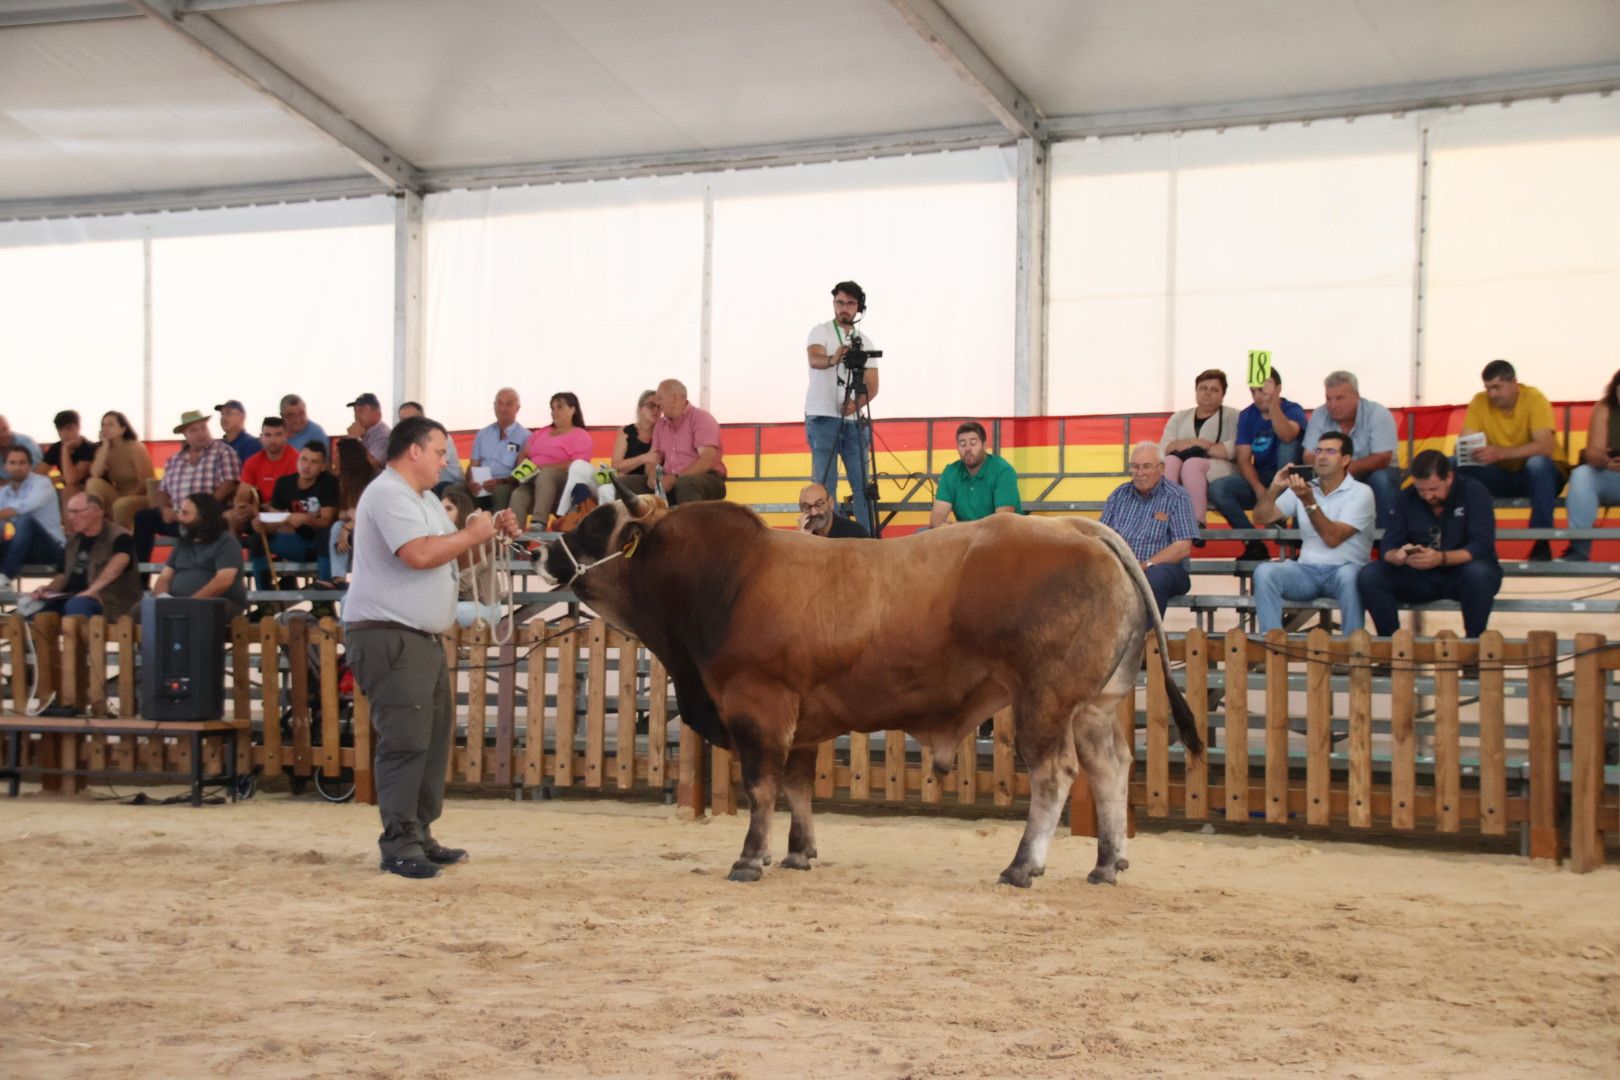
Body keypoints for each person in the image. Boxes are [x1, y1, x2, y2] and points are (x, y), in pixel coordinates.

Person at [343, 415, 521, 879]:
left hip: (415, 634)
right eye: (441, 451)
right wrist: (472, 534)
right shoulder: (386, 494)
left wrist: (493, 533)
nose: (447, 460)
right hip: (389, 631)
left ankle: (418, 833)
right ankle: (399, 842)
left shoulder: (421, 499)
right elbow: (419, 555)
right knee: (405, 739)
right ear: (414, 451)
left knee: (431, 737)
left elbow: (453, 555)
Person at [1357, 451, 1501, 638]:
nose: (1427, 496)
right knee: (1370, 574)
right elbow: (1388, 546)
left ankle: (1473, 646)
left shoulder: (1473, 492)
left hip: (1461, 573)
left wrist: (1441, 558)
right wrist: (1399, 556)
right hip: (1419, 574)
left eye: (1433, 489)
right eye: (1421, 490)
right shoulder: (1406, 497)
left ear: (1449, 477)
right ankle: (1391, 645)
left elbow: (1481, 545)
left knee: (1478, 573)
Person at [1251, 431, 1376, 634]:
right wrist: (1274, 487)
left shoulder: (1361, 492)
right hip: (1306, 571)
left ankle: (1354, 652)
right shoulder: (1304, 488)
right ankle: (1273, 646)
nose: (1322, 456)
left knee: (1351, 576)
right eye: (1318, 450)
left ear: (1346, 460)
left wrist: (1309, 501)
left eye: (1330, 451)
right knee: (1265, 572)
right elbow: (1260, 518)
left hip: (1344, 569)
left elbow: (1333, 538)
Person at [1457, 359, 1563, 561]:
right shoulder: (1479, 401)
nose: (1492, 394)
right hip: (1500, 474)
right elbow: (1466, 440)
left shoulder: (1534, 398)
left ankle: (1542, 541)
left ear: (1514, 382)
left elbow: (1545, 447)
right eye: (1488, 388)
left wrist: (1500, 453)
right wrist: (1467, 450)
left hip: (1539, 477)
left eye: (1497, 387)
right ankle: (1474, 539)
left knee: (1537, 464)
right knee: (1454, 464)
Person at [805, 280, 881, 534]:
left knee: (862, 485)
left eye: (850, 303)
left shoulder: (865, 341)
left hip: (852, 421)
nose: (844, 308)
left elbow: (872, 385)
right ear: (833, 304)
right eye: (839, 302)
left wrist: (854, 404)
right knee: (825, 485)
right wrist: (833, 358)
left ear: (858, 307)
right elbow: (814, 358)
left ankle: (866, 542)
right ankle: (828, 541)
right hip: (822, 417)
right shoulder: (821, 331)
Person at [1208, 367, 1307, 561]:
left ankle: (1288, 534)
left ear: (1278, 389)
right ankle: (1253, 542)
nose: (1258, 396)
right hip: (1262, 477)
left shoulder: (1293, 409)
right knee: (1219, 488)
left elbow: (1287, 434)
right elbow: (1243, 458)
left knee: (1288, 445)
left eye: (1263, 390)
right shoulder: (1247, 415)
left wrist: (1272, 405)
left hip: (1291, 480)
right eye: (1254, 392)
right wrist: (1260, 489)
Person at [1100, 443, 1197, 615]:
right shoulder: (1119, 495)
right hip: (1122, 568)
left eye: (1146, 467)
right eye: (1135, 467)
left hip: (1164, 570)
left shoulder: (1176, 496)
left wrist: (1145, 565)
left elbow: (1182, 547)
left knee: (1155, 576)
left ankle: (1146, 636)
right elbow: (1101, 536)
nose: (1139, 473)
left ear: (1161, 468)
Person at [132, 410, 240, 562]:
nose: (201, 433)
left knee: (211, 520)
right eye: (194, 430)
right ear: (185, 434)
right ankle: (141, 579)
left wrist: (203, 508)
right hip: (178, 515)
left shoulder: (223, 452)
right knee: (143, 518)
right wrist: (165, 509)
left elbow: (230, 483)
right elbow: (163, 490)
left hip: (208, 515)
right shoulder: (174, 460)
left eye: (203, 428)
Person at [1302, 371, 1401, 529]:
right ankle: (1300, 543)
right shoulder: (1320, 414)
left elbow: (1383, 457)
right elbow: (1308, 456)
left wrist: (1344, 469)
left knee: (1380, 479)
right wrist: (1333, 470)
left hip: (1375, 472)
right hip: (1333, 473)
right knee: (1308, 484)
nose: (1332, 405)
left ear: (1356, 396)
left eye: (1339, 398)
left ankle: (1387, 540)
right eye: (1328, 398)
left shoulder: (1378, 413)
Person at [24, 493, 141, 620]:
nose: (70, 517)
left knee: (77, 606)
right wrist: (48, 589)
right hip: (69, 598)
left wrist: (90, 591)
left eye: (76, 512)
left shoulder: (119, 536)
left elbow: (119, 563)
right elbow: (62, 575)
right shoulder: (73, 541)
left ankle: (81, 639)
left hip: (107, 602)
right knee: (32, 619)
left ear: (96, 512)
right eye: (69, 512)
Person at [1158, 368, 1238, 537]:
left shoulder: (1233, 415)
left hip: (1220, 469)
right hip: (1181, 469)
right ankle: (1165, 517)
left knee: (1192, 464)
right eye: (1203, 388)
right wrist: (1192, 443)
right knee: (1171, 462)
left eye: (1214, 390)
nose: (1207, 393)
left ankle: (1197, 522)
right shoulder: (1179, 417)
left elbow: (1234, 449)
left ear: (1223, 394)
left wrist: (1204, 447)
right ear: (1196, 391)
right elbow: (1164, 446)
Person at [252, 441, 337, 588]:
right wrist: (263, 525)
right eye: (304, 459)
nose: (307, 466)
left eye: (314, 462)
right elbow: (274, 519)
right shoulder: (284, 483)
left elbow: (326, 521)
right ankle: (264, 598)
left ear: (323, 466)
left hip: (321, 546)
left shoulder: (329, 482)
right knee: (257, 538)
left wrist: (305, 519)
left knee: (326, 534)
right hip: (297, 543)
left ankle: (323, 597)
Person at [152, 493, 248, 622]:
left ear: (203, 518)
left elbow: (224, 580)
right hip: (178, 603)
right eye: (179, 512)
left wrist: (192, 604)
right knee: (140, 610)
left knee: (201, 613)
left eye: (185, 513)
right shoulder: (183, 543)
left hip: (216, 602)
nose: (179, 518)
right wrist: (163, 598)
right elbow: (165, 576)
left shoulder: (226, 542)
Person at [509, 392, 594, 526]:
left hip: (562, 484)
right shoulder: (541, 432)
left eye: (560, 407)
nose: (555, 412)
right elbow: (523, 454)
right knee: (518, 494)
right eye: (552, 408)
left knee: (547, 475)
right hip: (534, 479)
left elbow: (579, 465)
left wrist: (544, 468)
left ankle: (539, 522)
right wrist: (523, 470)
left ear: (573, 409)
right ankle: (515, 538)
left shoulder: (580, 435)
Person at [1563, 368, 1620, 561]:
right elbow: (1593, 451)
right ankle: (1578, 549)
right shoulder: (1604, 407)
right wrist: (1603, 459)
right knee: (1582, 475)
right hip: (1611, 475)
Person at [649, 379, 727, 506]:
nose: (657, 403)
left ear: (673, 397)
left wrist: (676, 478)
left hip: (707, 477)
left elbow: (707, 459)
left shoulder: (701, 418)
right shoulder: (660, 424)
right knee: (629, 483)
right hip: (670, 479)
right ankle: (645, 526)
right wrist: (652, 476)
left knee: (686, 484)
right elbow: (653, 458)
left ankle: (693, 526)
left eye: (659, 398)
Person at [0, 446, 66, 591]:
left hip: (50, 548)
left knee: (25, 519)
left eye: (22, 463)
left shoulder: (43, 483)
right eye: (12, 463)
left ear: (30, 465)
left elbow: (24, 508)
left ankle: (5, 577)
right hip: (19, 550)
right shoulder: (4, 493)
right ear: (5, 466)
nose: (17, 467)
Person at [929, 421, 1021, 526]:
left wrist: (957, 527)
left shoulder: (1003, 471)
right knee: (922, 534)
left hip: (1002, 536)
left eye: (973, 443)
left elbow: (1002, 523)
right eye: (962, 444)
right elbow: (936, 521)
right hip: (965, 535)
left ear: (984, 445)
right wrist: (951, 529)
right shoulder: (950, 472)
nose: (967, 449)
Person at [440, 486, 503, 628]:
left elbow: (462, 583)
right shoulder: (443, 540)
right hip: (460, 604)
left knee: (428, 613)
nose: (441, 513)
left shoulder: (479, 539)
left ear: (462, 513)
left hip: (483, 606)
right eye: (440, 509)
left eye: (448, 509)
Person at [85, 411, 155, 532]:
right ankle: (94, 525)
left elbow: (145, 483)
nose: (105, 428)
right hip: (120, 495)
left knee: (121, 505)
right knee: (93, 482)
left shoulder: (136, 447)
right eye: (103, 425)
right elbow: (95, 474)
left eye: (111, 424)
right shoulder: (103, 451)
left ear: (122, 429)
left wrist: (124, 499)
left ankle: (123, 542)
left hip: (144, 496)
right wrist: (106, 445)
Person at [465, 387, 530, 512]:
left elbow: (525, 471)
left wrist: (500, 481)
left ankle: (497, 531)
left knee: (500, 492)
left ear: (518, 408)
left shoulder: (527, 437)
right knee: (454, 491)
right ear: (494, 406)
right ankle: (458, 531)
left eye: (509, 404)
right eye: (499, 403)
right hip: (480, 486)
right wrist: (470, 481)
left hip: (506, 485)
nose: (503, 408)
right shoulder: (482, 434)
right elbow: (473, 465)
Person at [328, 438, 378, 586]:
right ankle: (338, 577)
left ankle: (361, 576)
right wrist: (351, 515)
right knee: (336, 526)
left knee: (342, 527)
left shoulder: (373, 478)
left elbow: (369, 514)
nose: (334, 458)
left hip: (372, 528)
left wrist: (347, 527)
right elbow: (341, 513)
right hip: (353, 526)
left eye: (337, 454)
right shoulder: (341, 481)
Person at [399, 402, 462, 493]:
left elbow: (429, 467)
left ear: (422, 417)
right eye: (403, 420)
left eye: (411, 419)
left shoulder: (439, 436)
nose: (407, 424)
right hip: (424, 482)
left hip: (448, 483)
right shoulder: (402, 439)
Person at [609, 389, 661, 497]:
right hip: (625, 480)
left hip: (650, 481)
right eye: (651, 405)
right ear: (640, 409)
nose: (656, 410)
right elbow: (616, 465)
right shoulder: (627, 431)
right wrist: (644, 458)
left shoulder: (663, 432)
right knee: (606, 490)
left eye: (659, 406)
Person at [42, 410, 98, 505]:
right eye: (60, 430)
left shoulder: (88, 447)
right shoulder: (55, 448)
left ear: (78, 427)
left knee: (69, 490)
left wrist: (65, 450)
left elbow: (72, 480)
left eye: (68, 428)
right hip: (65, 488)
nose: (64, 433)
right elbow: (36, 477)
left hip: (88, 488)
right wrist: (61, 478)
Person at [239, 416, 299, 504]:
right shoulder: (252, 461)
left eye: (278, 435)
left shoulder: (297, 460)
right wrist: (241, 507)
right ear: (261, 437)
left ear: (286, 436)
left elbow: (291, 498)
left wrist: (257, 509)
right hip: (258, 511)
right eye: (268, 435)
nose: (273, 440)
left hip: (287, 511)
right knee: (229, 516)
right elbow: (242, 494)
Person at [798, 482, 868, 538]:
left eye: (819, 505)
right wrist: (803, 541)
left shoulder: (856, 533)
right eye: (807, 507)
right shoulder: (802, 534)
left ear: (830, 503)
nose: (813, 513)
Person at [346, 392, 391, 468]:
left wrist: (355, 440)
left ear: (377, 413)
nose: (356, 415)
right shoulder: (363, 433)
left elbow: (374, 464)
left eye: (361, 411)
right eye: (355, 411)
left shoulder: (383, 435)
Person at [214, 399, 262, 463]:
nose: (224, 417)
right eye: (222, 414)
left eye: (228, 413)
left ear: (241, 417)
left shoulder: (251, 444)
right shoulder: (217, 445)